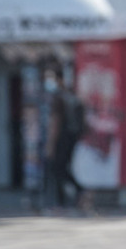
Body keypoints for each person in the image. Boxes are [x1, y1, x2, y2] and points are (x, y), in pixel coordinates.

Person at [46, 70, 85, 210]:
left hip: (61, 138)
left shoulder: (58, 98)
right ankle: (76, 194)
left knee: (57, 169)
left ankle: (61, 201)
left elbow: (55, 123)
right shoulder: (72, 97)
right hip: (71, 137)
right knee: (63, 168)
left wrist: (50, 144)